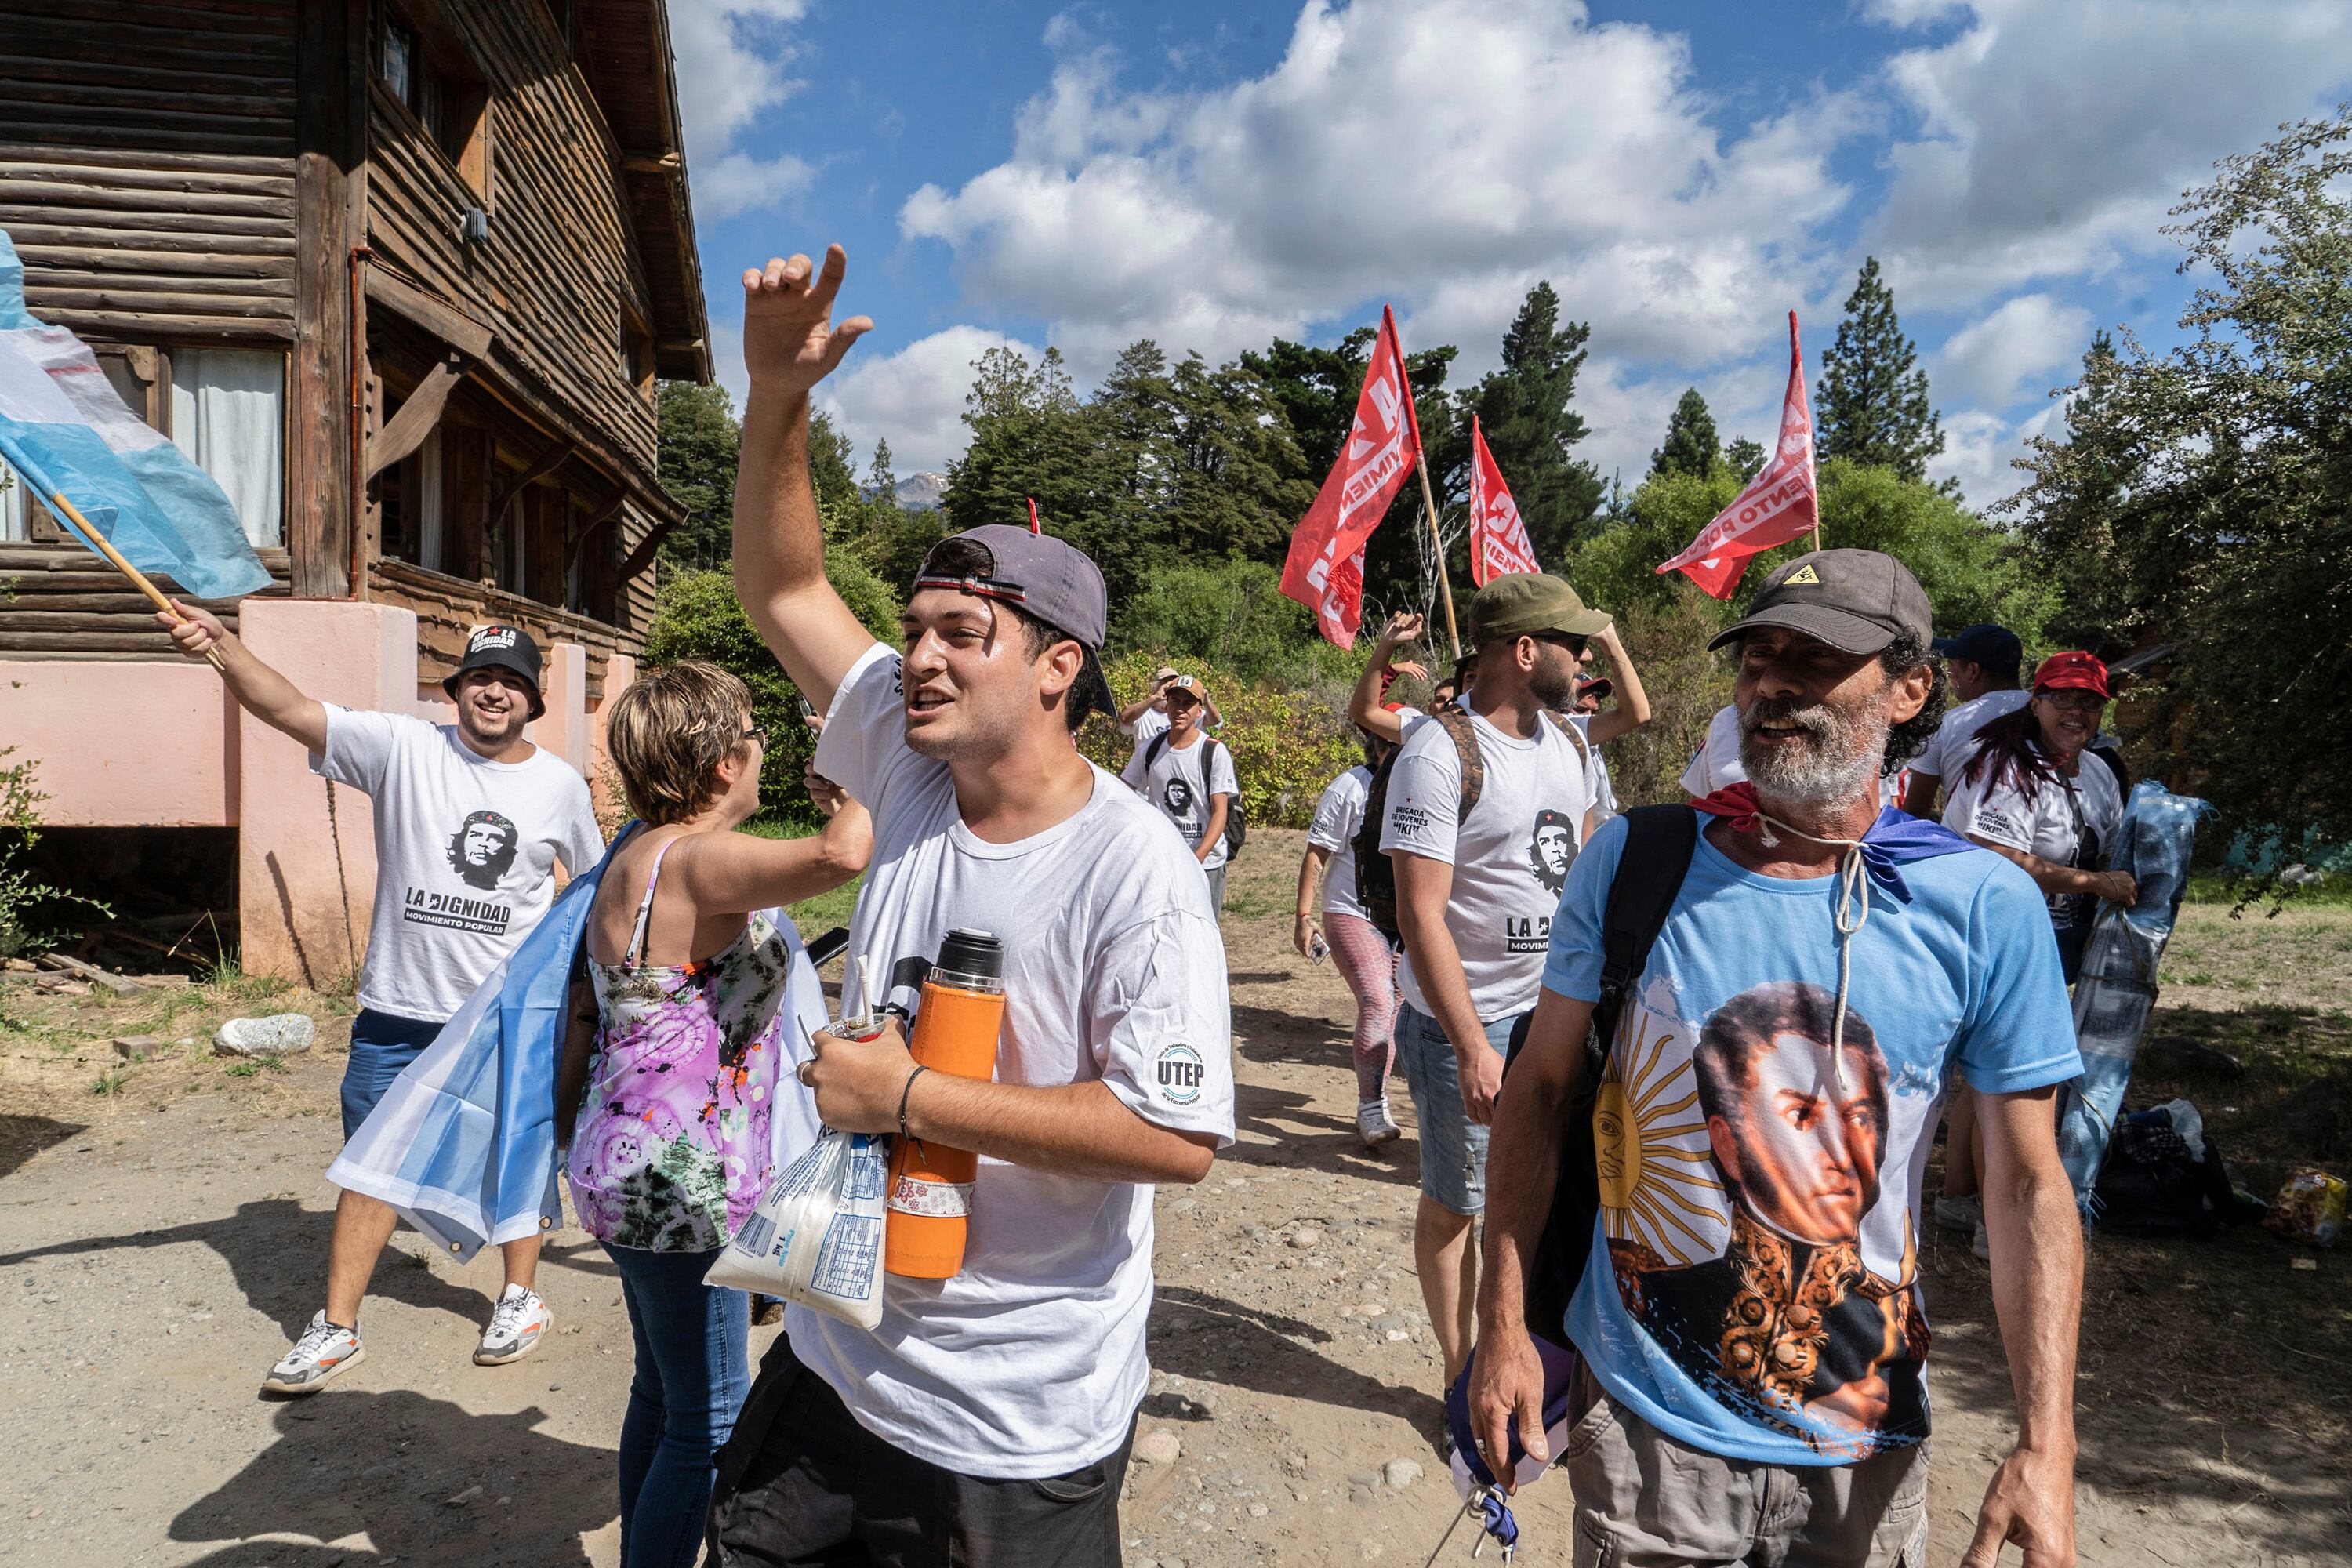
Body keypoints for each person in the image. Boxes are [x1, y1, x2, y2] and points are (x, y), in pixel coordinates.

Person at [706, 245, 1234, 1567]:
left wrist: (911, 1099)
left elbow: (1173, 1134)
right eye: (916, 625)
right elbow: (782, 588)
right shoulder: (904, 756)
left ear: (1058, 668)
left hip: (1012, 1419)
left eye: (962, 633)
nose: (919, 656)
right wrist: (777, 396)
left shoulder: (1136, 871)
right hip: (836, 1352)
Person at [1472, 550, 2085, 1568]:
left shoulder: (1983, 906)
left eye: (1816, 660)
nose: (1772, 685)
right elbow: (1536, 1095)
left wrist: (2047, 1441)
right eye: (1757, 658)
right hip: (1649, 1430)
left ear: (1910, 689)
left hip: (1866, 1445)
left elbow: (2027, 1182)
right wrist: (1500, 1325)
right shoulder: (1637, 860)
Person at [159, 608, 605, 1392]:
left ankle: (520, 1297)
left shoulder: (559, 785)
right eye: (479, 677)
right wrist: (222, 647)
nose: (493, 692)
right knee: (371, 1164)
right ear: (455, 690)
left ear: (533, 700)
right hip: (397, 1013)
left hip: (500, 1017)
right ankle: (337, 1328)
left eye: (511, 682)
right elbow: (290, 708)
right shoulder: (403, 747)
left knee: (517, 1153)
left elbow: (593, 893)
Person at [561, 661, 871, 1568]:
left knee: (662, 1393)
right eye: (755, 735)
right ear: (725, 761)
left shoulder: (639, 851)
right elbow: (841, 854)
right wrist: (865, 765)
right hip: (683, 1183)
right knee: (711, 1416)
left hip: (626, 1162)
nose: (763, 748)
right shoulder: (696, 857)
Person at [1379, 573, 1606, 1393]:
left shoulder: (1571, 744)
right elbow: (1420, 914)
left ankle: (1530, 1354)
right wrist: (1473, 1044)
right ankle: (1459, 1372)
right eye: (1573, 644)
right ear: (1526, 650)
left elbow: (1584, 866)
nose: (1586, 659)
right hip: (1465, 1024)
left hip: (1557, 1013)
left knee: (1549, 1187)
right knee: (1460, 1203)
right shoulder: (1437, 752)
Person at [1933, 651, 2133, 1258]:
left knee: (1990, 1078)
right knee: (2012, 1082)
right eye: (2063, 698)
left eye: (2089, 702)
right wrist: (2096, 884)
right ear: (2036, 702)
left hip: (2045, 939)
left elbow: (2107, 845)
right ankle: (1997, 1221)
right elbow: (1997, 857)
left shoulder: (2096, 772)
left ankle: (1959, 1198)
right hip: (1986, 932)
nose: (2076, 711)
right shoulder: (2007, 765)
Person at [1298, 725, 1404, 1145]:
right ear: (1374, 746)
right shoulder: (1350, 787)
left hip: (1406, 920)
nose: (1395, 751)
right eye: (1388, 743)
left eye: (1404, 744)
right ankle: (1371, 1106)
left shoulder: (1427, 786)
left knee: (1395, 1009)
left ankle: (1378, 1097)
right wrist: (1304, 916)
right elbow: (1317, 852)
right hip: (1352, 911)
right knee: (1378, 1001)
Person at [1120, 673, 1240, 912]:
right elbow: (1123, 793)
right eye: (1175, 702)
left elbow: (1220, 812)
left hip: (1206, 863)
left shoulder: (1213, 752)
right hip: (1161, 859)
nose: (1180, 709)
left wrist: (1197, 858)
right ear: (1167, 706)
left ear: (1199, 710)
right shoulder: (1150, 749)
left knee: (1203, 928)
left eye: (1188, 703)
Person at [1899, 622, 2027, 818]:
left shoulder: (1946, 726)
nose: (1949, 671)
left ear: (1973, 671)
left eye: (1952, 663)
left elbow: (1914, 814)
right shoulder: (2049, 716)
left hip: (1964, 837)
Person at [1116, 663, 1224, 751]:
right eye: (1164, 684)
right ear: (1155, 688)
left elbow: (1216, 720)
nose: (1167, 689)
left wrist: (1206, 702)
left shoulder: (1186, 712)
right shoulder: (1143, 714)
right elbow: (1124, 718)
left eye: (1172, 685)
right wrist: (1155, 698)